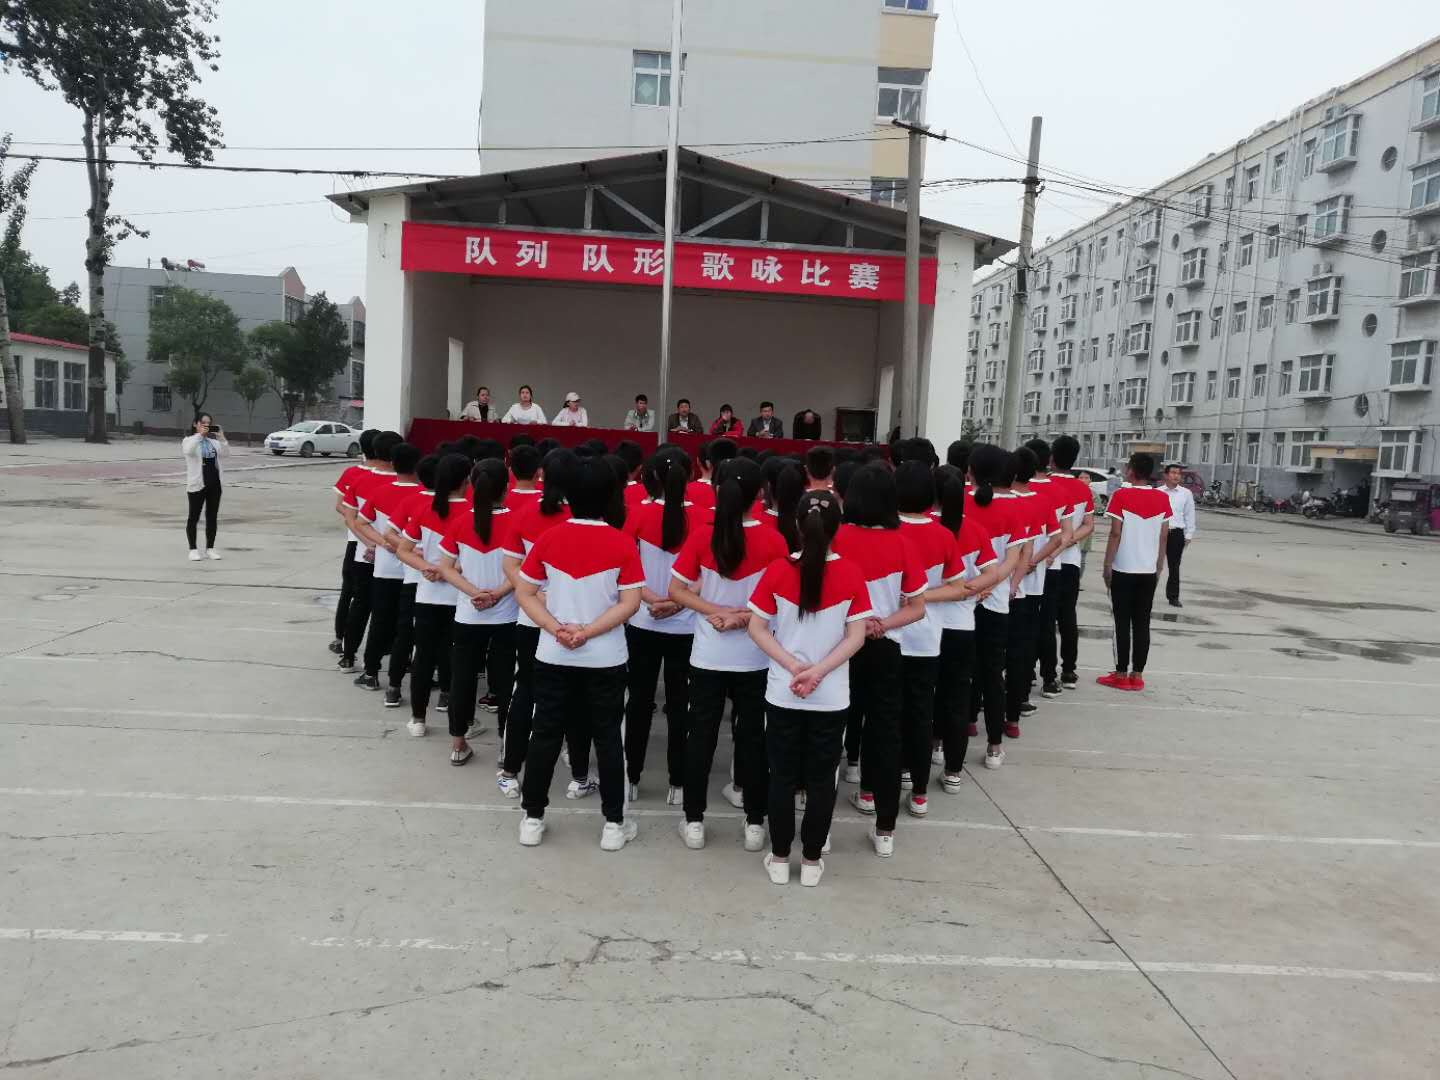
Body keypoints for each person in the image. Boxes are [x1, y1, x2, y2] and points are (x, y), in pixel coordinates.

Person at [514, 455, 645, 852]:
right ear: (611, 496)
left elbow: (525, 592)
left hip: (553, 654)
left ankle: (532, 818)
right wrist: (587, 632)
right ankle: (613, 824)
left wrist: (556, 629)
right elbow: (631, 603)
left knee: (545, 734)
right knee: (608, 738)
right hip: (605, 657)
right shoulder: (621, 542)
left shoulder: (549, 538)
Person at [747, 490, 872, 887]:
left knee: (781, 776)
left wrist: (793, 666)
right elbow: (857, 637)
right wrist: (818, 673)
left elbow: (756, 628)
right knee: (822, 778)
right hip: (830, 696)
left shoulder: (777, 570)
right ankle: (813, 861)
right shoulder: (851, 573)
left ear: (798, 526)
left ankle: (780, 857)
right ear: (838, 528)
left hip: (784, 691)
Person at [670, 457, 790, 850]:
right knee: (753, 739)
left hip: (709, 655)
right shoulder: (774, 541)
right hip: (757, 656)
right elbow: (779, 601)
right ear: (760, 493)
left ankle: (694, 821)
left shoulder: (702, 536)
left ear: (718, 490)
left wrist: (715, 611)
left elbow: (677, 590)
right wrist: (742, 617)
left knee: (700, 737)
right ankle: (755, 823)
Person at [832, 465, 927, 858]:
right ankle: (885, 829)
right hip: (885, 647)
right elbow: (918, 608)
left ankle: (816, 821)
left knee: (831, 731)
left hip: (838, 647)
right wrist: (882, 623)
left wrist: (858, 623)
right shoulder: (903, 544)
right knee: (885, 734)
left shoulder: (836, 537)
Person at [622, 449, 700, 803]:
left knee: (639, 703)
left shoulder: (637, 514)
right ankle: (678, 783)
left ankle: (631, 778)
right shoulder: (703, 518)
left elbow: (626, 571)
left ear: (650, 477)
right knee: (681, 705)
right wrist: (677, 601)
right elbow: (709, 574)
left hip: (643, 620)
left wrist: (654, 601)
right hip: (687, 626)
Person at [438, 457, 520, 767]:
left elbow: (446, 568)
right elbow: (524, 570)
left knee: (462, 679)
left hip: (468, 615)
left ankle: (458, 744)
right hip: (507, 616)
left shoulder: (460, 523)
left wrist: (473, 592)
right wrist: (497, 593)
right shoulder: (518, 522)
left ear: (473, 484)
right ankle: (505, 747)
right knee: (505, 683)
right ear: (506, 487)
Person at [961, 445, 1030, 770]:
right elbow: (1014, 559)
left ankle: (942, 741)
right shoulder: (1016, 508)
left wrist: (973, 587)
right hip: (995, 603)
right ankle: (993, 746)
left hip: (958, 601)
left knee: (957, 674)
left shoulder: (961, 502)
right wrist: (991, 585)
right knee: (992, 675)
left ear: (971, 472)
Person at [395, 453, 471, 738]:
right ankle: (454, 713)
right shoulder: (473, 511)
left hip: (427, 594)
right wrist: (449, 569)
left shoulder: (426, 509)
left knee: (423, 656)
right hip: (461, 596)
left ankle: (418, 718)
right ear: (466, 480)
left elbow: (403, 549)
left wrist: (428, 567)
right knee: (454, 657)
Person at [350, 442, 422, 692]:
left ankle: (371, 672)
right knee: (408, 624)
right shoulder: (424, 495)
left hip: (385, 569)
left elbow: (360, 522)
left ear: (393, 463)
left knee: (380, 620)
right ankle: (405, 668)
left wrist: (383, 543)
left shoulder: (381, 492)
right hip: (415, 571)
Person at [1098, 453, 1171, 692]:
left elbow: (1115, 533)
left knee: (1122, 621)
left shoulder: (1121, 495)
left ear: (1131, 470)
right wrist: (1159, 566)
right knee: (1142, 622)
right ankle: (1137, 675)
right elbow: (1163, 536)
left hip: (1124, 568)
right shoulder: (1162, 498)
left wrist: (1107, 564)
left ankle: (1120, 674)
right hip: (1148, 570)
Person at [338, 430, 402, 673]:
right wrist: (382, 545)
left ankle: (348, 656)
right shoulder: (407, 486)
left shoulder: (359, 480)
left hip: (364, 553)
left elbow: (351, 519)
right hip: (396, 557)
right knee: (390, 611)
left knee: (360, 605)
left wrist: (369, 544)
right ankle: (383, 658)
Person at [1022, 439, 1075, 701]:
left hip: (1021, 568)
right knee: (1047, 623)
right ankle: (1049, 679)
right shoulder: (1060, 492)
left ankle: (1024, 676)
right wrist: (1051, 555)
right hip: (1049, 566)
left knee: (1023, 625)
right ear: (1048, 460)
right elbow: (1067, 533)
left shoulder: (1021, 489)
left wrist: (1030, 560)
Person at [1046, 436, 1096, 689]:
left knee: (1044, 618)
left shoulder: (1045, 485)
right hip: (1071, 562)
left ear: (1052, 458)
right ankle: (1068, 670)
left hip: (1044, 561)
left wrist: (1058, 543)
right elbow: (1088, 525)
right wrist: (1069, 540)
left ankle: (1042, 671)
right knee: (1067, 616)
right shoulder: (1083, 489)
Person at [330, 428, 381, 655]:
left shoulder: (354, 474)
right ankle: (344, 638)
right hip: (374, 542)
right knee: (359, 593)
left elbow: (340, 506)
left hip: (359, 541)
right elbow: (341, 506)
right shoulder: (356, 473)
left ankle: (343, 639)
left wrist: (356, 521)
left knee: (352, 593)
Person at [182, 413, 227, 561]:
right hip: (197, 484)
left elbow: (226, 454)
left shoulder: (213, 442)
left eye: (209, 423)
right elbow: (188, 451)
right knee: (193, 517)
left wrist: (221, 437)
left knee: (212, 517)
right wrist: (199, 435)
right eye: (203, 423)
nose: (206, 426)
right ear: (195, 424)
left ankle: (210, 548)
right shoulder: (189, 440)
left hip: (214, 483)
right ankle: (193, 549)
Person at [1162, 463, 1197, 608]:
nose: (1176, 476)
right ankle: (1146, 593)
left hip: (1176, 533)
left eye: (1178, 473)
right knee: (1152, 564)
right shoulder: (1157, 492)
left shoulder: (1186, 493)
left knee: (1174, 566)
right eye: (1173, 472)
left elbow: (1189, 515)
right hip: (1159, 532)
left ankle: (1173, 596)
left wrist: (1189, 534)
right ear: (1166, 475)